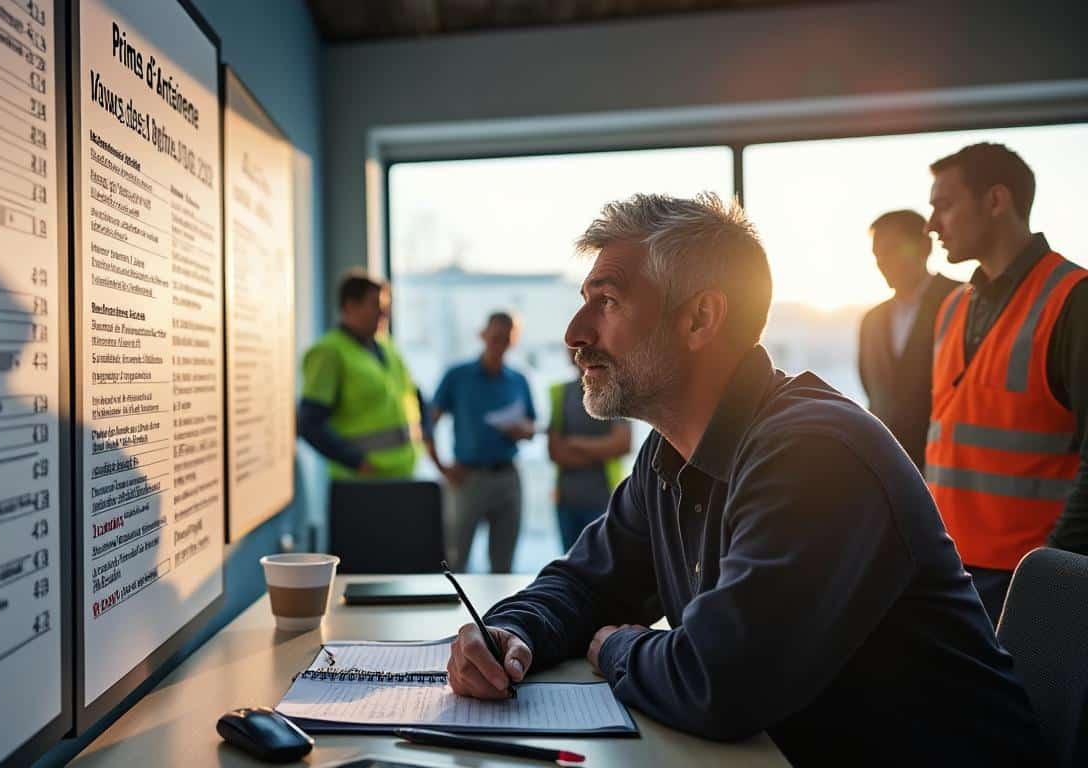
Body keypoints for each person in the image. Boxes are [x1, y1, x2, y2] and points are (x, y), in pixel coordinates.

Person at [445, 193, 1042, 765]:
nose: (576, 333)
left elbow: (717, 681)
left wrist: (615, 646)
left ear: (700, 317)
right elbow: (585, 583)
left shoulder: (815, 454)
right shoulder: (669, 454)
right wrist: (511, 630)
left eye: (607, 301)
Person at [924, 142, 1088, 622]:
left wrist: (1052, 571)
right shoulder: (952, 307)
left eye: (945, 205)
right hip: (952, 569)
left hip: (1032, 575)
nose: (932, 225)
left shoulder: (1073, 301)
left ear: (996, 201)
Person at [426, 312, 535, 573]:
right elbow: (429, 422)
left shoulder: (518, 380)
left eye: (505, 338)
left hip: (507, 477)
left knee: (504, 564)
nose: (499, 343)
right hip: (467, 479)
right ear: (483, 335)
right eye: (495, 336)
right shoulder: (458, 376)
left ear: (513, 341)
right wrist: (441, 467)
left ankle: (499, 615)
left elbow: (532, 426)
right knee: (455, 560)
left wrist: (521, 430)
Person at [297, 270, 425, 479]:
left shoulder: (387, 348)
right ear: (350, 306)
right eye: (375, 305)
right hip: (360, 483)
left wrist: (426, 432)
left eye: (385, 306)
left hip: (403, 474)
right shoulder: (329, 352)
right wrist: (356, 462)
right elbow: (309, 423)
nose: (384, 313)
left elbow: (413, 394)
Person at [857, 210, 960, 471]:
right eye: (877, 255)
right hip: (890, 470)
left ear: (925, 246)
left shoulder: (964, 301)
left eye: (892, 250)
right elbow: (875, 392)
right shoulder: (872, 321)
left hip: (948, 468)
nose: (883, 262)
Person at [548, 348, 631, 550]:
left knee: (605, 563)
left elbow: (622, 444)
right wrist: (600, 450)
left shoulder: (614, 389)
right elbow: (555, 452)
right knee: (569, 564)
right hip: (567, 501)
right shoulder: (560, 392)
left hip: (605, 500)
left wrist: (576, 444)